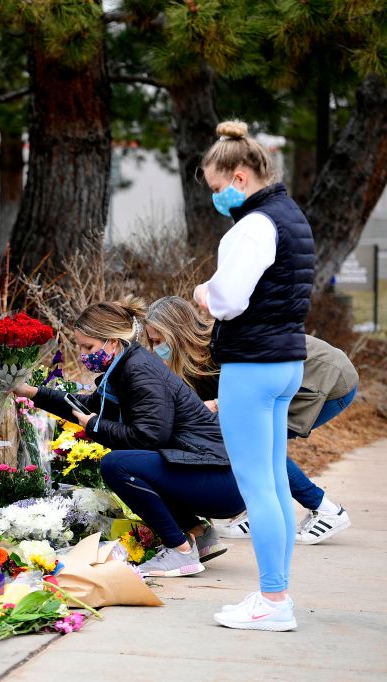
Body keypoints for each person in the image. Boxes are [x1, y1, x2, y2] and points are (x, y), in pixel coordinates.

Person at [14, 296, 246, 578]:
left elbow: (149, 437)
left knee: (117, 465)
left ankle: (180, 551)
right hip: (213, 473)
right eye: (80, 346)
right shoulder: (124, 366)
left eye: (89, 346)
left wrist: (95, 426)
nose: (83, 354)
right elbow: (88, 407)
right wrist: (34, 393)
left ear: (112, 342)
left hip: (221, 480)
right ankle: (198, 533)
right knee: (132, 463)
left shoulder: (139, 371)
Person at [192, 120, 315, 632]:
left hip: (251, 366)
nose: (217, 198)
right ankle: (275, 593)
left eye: (218, 188)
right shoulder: (291, 217)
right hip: (286, 361)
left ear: (240, 177)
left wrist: (205, 294)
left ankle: (274, 599)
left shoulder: (253, 226)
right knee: (272, 483)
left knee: (257, 486)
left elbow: (230, 298)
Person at [145, 296, 356, 545]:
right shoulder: (191, 359)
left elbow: (253, 383)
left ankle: (326, 510)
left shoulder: (225, 340)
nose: (155, 348)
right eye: (151, 341)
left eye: (158, 341)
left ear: (176, 331)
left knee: (259, 448)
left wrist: (216, 405)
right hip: (290, 383)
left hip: (325, 379)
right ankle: (252, 511)